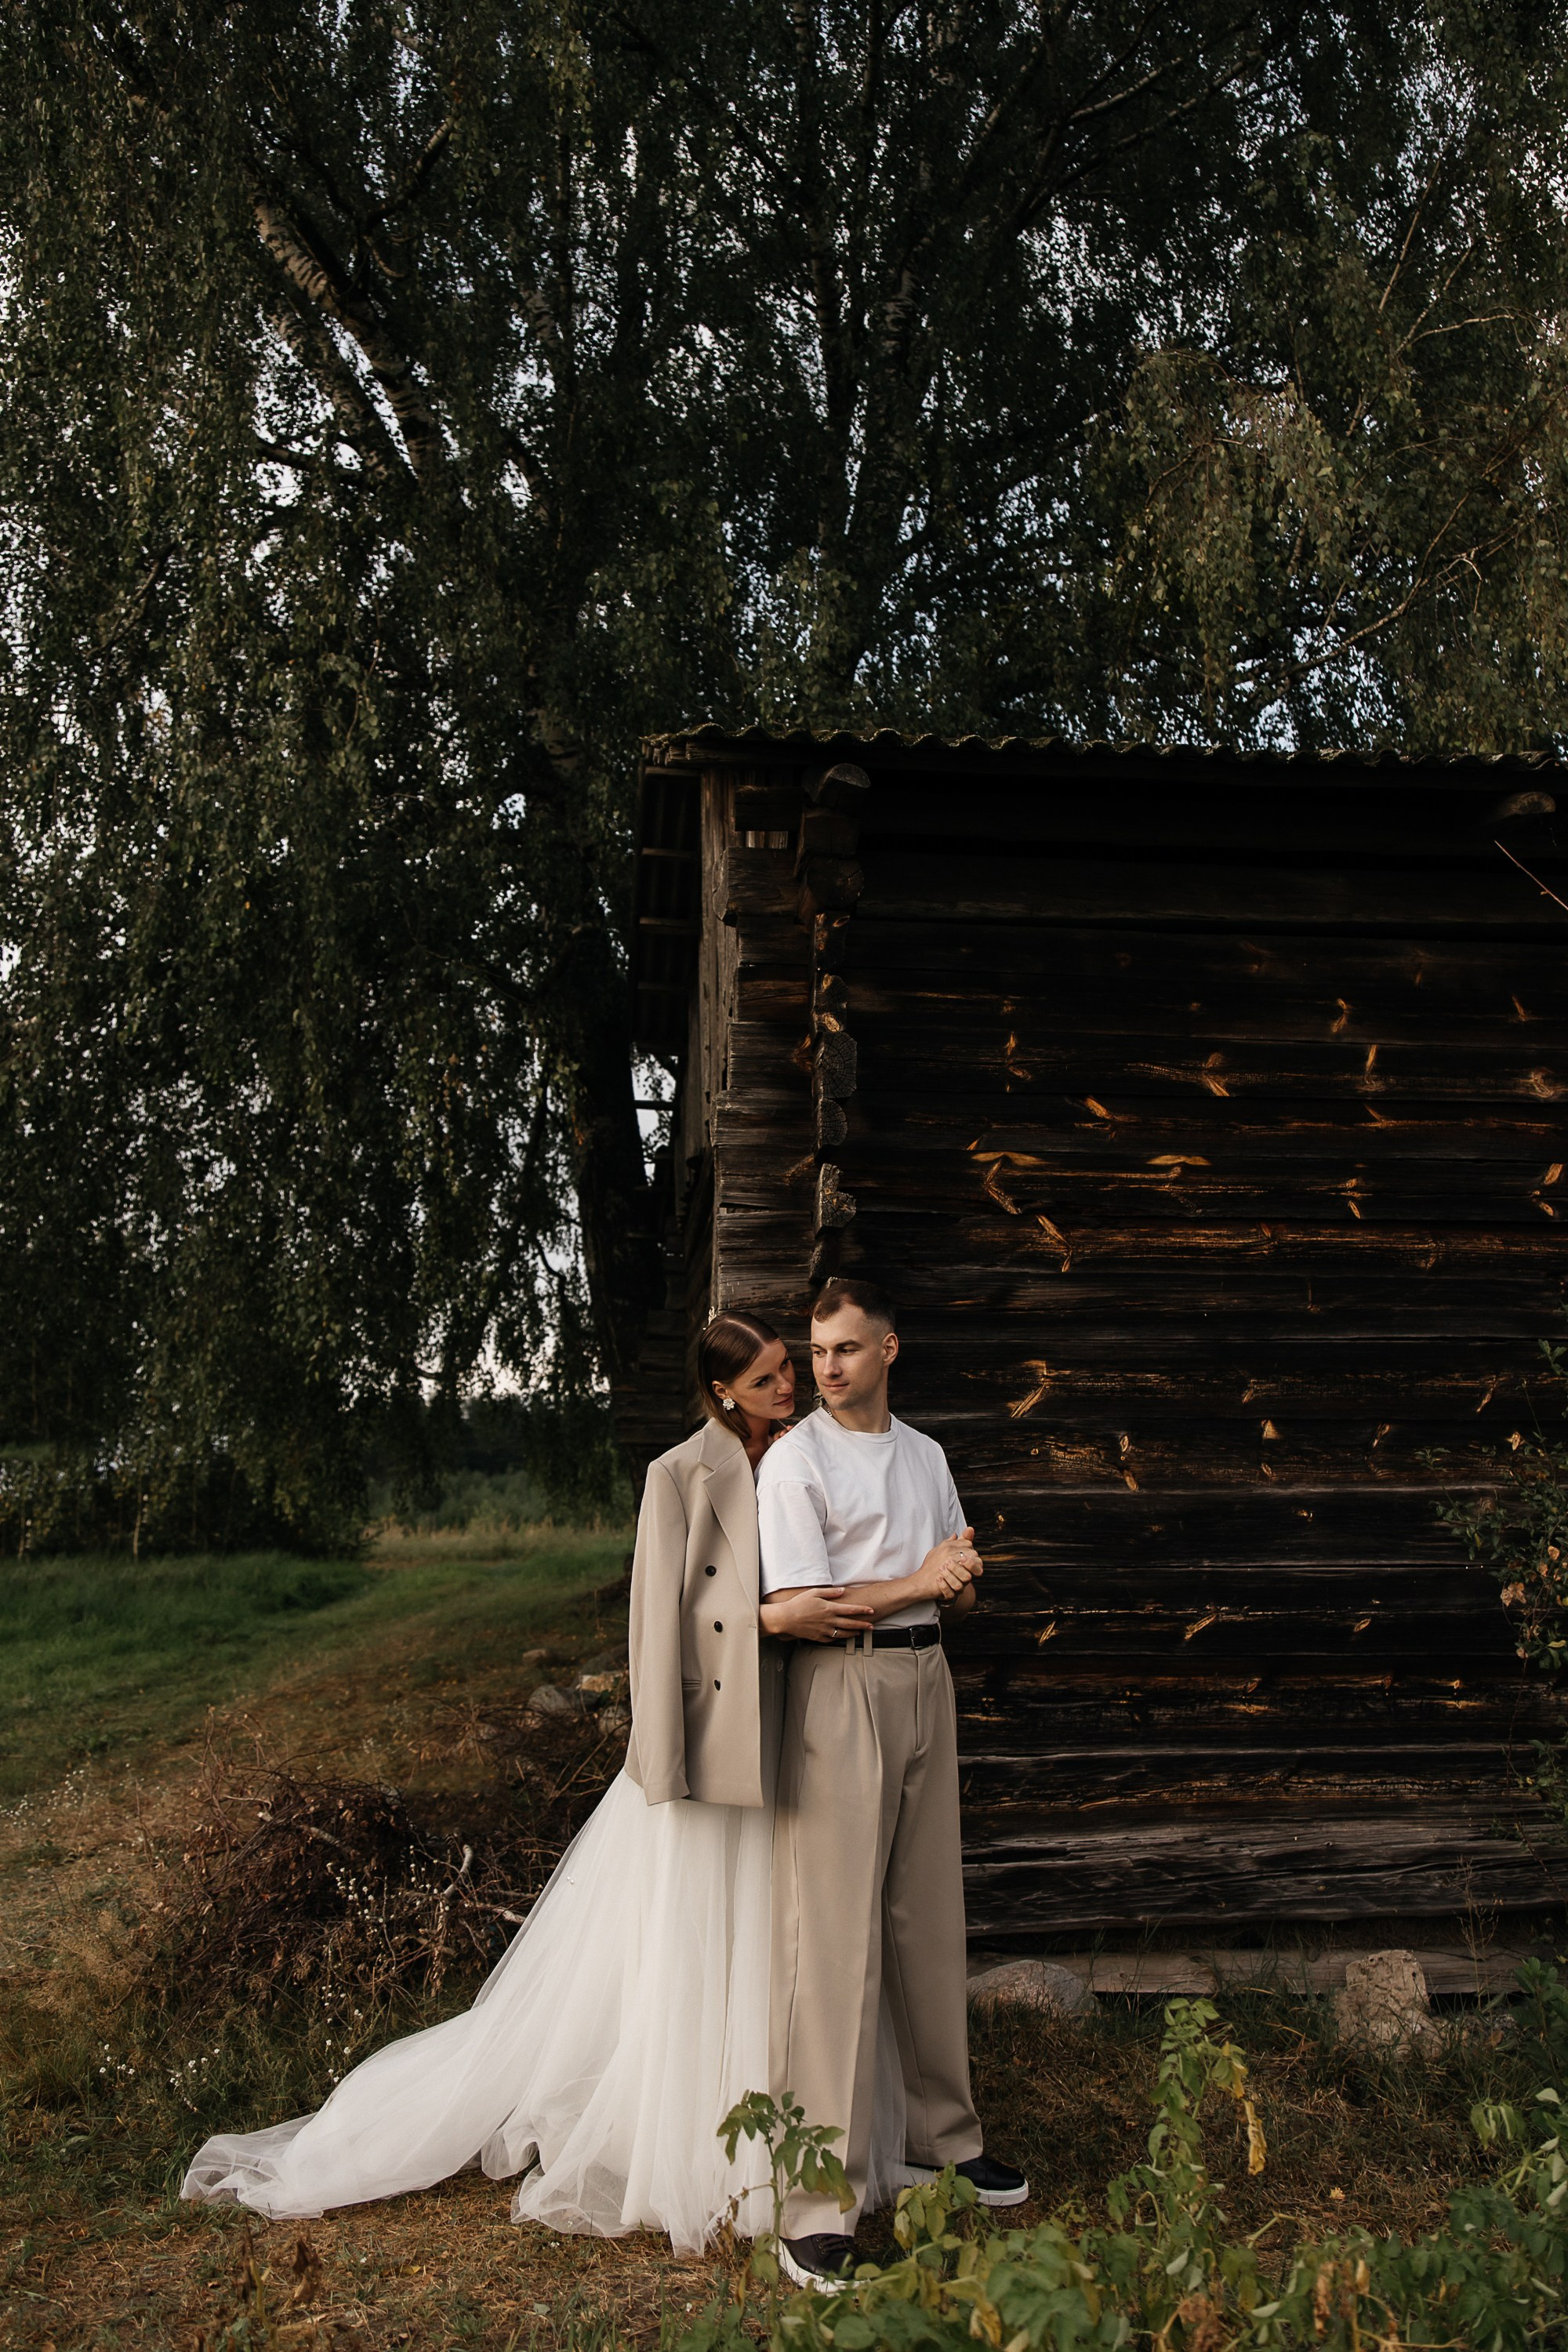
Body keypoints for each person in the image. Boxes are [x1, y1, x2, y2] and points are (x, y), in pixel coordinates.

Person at [181, 1312, 866, 2252]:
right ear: (720, 1394)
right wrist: (673, 1759)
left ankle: (782, 2104)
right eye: (765, 1382)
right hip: (710, 1745)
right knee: (695, 1939)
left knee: (770, 1933)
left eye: (788, 1371)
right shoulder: (679, 1475)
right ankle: (699, 2129)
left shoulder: (800, 1454)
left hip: (787, 1727)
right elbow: (659, 1626)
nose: (786, 1389)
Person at [757, 1276, 1029, 2291]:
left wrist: (956, 1578)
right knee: (831, 1939)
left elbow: (955, 1567)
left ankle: (946, 2140)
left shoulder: (926, 1457)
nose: (827, 1366)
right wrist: (921, 1578)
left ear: (889, 1349)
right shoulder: (795, 1463)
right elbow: (802, 1604)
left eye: (846, 1348)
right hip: (842, 1686)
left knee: (928, 1916)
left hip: (926, 1676)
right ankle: (813, 2204)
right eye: (818, 1350)